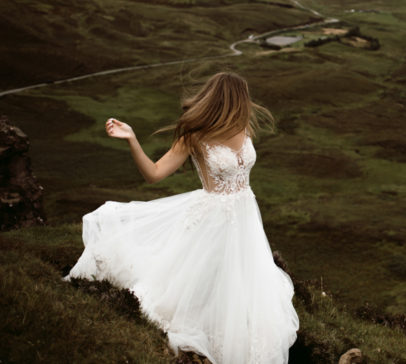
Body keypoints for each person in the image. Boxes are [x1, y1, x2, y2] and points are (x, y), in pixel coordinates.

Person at [65, 72, 299, 364]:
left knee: (241, 280)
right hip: (213, 220)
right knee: (201, 280)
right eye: (242, 99)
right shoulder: (195, 137)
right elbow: (154, 174)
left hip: (246, 217)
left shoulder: (244, 129)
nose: (247, 105)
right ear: (230, 100)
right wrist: (132, 139)